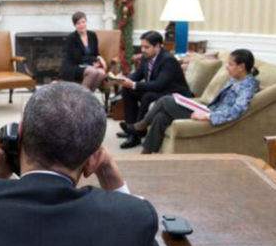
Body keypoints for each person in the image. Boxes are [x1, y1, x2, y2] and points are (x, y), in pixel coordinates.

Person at [0, 83, 161, 246]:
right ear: (93, 160)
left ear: (16, 140)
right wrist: (110, 173)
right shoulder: (136, 219)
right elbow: (134, 232)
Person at [123, 49, 260, 154]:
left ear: (241, 67)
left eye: (230, 64)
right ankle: (146, 154)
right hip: (208, 109)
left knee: (165, 100)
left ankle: (140, 126)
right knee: (161, 117)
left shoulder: (247, 86)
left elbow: (237, 111)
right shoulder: (237, 78)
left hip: (213, 118)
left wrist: (206, 116)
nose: (227, 67)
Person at [118, 31, 192, 149]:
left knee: (148, 95)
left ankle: (136, 135)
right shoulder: (146, 57)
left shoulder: (168, 60)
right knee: (127, 90)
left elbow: (159, 84)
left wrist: (133, 84)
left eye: (146, 47)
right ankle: (130, 128)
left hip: (173, 93)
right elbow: (138, 74)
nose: (142, 50)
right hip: (159, 90)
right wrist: (124, 80)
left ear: (157, 46)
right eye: (141, 46)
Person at [60, 11, 107, 92]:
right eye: (78, 23)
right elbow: (78, 59)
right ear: (75, 25)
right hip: (73, 66)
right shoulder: (71, 38)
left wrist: (96, 62)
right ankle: (80, 97)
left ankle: (88, 97)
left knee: (102, 73)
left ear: (86, 22)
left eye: (83, 22)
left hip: (87, 65)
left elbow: (95, 53)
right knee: (92, 72)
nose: (81, 25)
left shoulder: (92, 35)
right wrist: (96, 59)